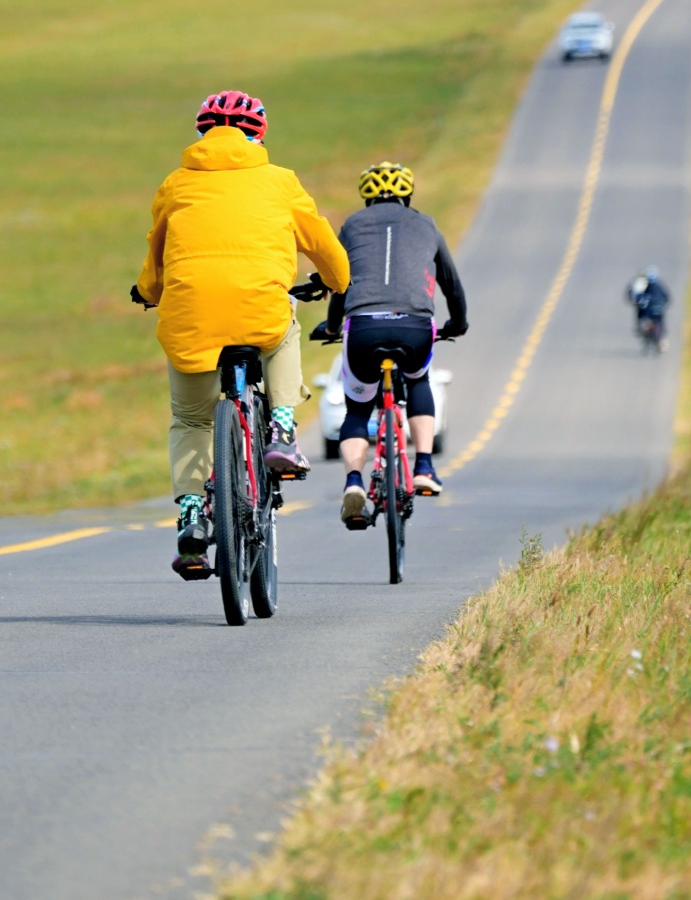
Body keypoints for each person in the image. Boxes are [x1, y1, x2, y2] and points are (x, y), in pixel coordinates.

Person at [132, 90, 349, 578]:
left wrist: (147, 292)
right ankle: (283, 430)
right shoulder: (281, 181)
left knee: (191, 420)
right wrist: (337, 282)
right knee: (284, 325)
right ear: (259, 135)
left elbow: (156, 257)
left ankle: (192, 514)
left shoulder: (176, 183)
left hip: (191, 315)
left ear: (201, 133)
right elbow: (322, 242)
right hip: (258, 308)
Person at [311, 161, 468, 516]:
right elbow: (452, 284)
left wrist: (333, 327)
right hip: (415, 325)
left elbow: (340, 281)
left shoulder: (352, 225)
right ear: (408, 196)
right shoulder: (427, 224)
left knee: (357, 409)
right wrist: (458, 323)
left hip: (363, 327)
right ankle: (424, 466)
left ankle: (354, 481)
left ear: (367, 198)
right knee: (418, 380)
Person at [626, 267, 671, 343]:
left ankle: (658, 337)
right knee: (659, 323)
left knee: (650, 321)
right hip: (657, 310)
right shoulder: (658, 285)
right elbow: (666, 297)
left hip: (651, 310)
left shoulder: (647, 286)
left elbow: (635, 296)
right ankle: (660, 337)